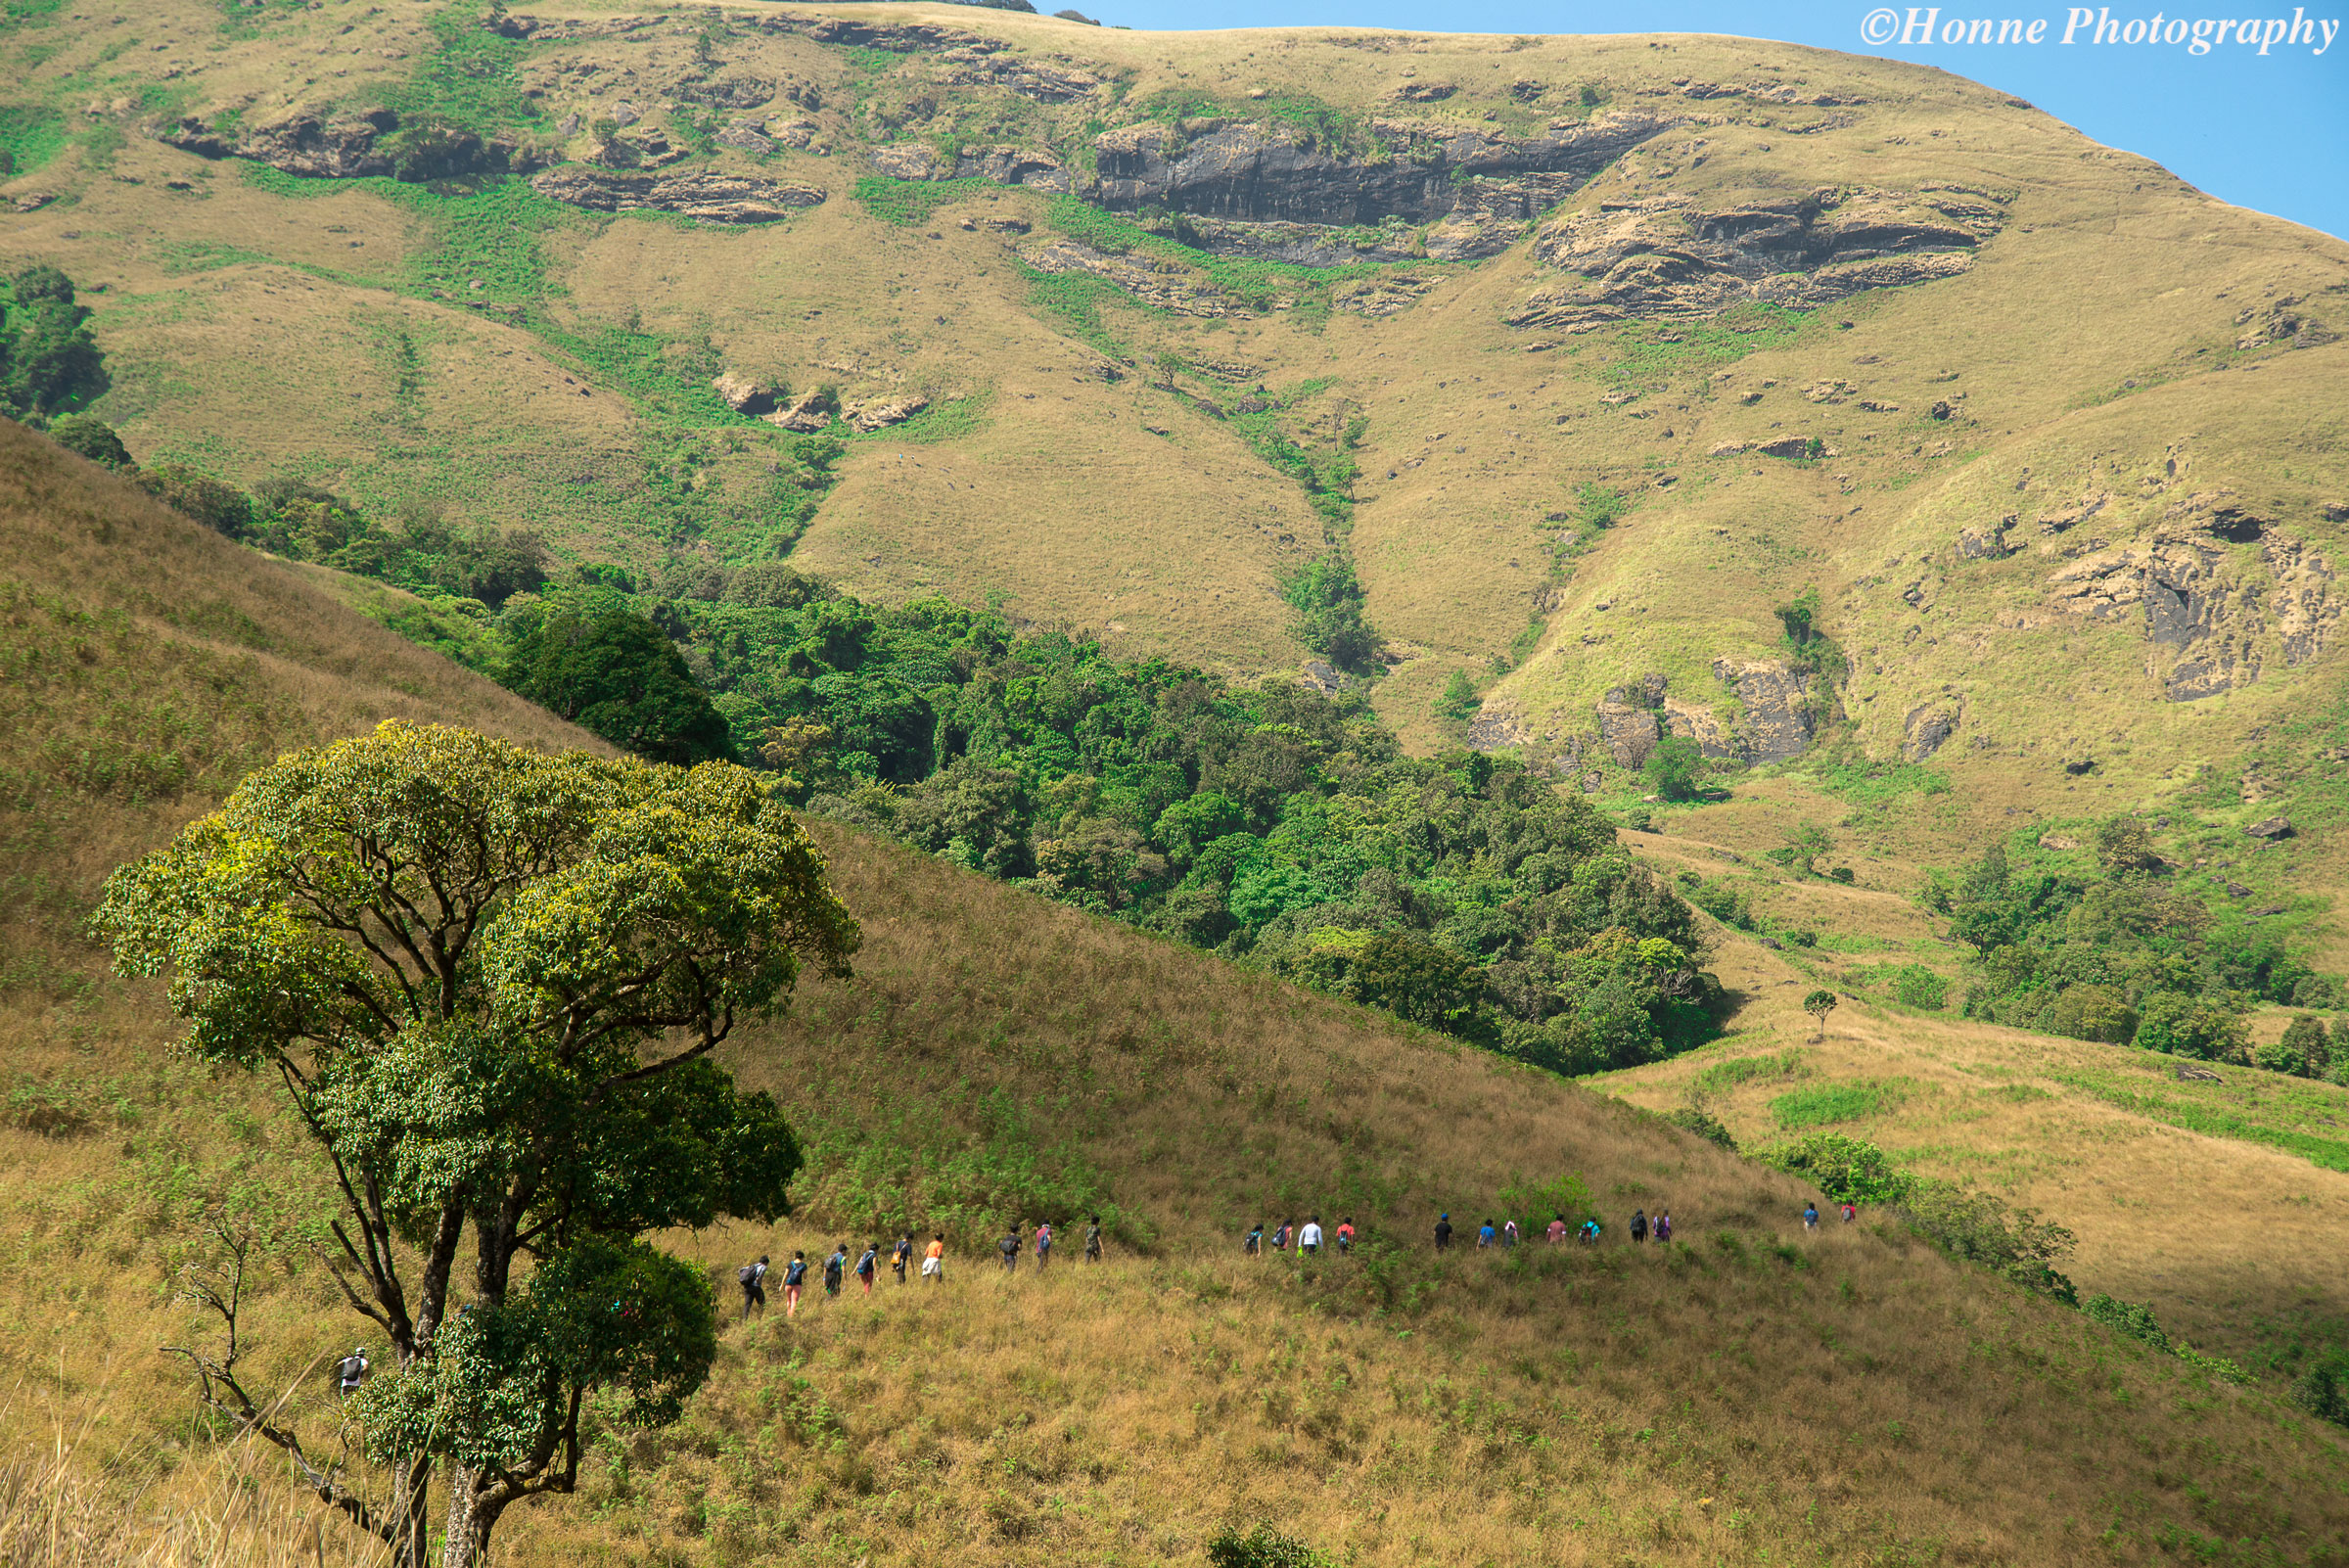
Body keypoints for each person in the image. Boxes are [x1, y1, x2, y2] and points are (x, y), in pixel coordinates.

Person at [737, 1255, 769, 1320]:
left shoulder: (753, 1266)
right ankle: (759, 1319)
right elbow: (759, 1277)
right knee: (762, 1303)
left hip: (747, 1287)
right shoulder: (764, 1267)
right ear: (766, 1262)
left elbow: (740, 1270)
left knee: (747, 1305)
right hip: (756, 1287)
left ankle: (744, 1320)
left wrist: (743, 1277)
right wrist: (759, 1280)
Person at [783, 1251, 808, 1316]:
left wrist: (782, 1284)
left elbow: (785, 1274)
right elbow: (805, 1277)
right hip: (797, 1285)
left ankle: (788, 1315)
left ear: (795, 1256)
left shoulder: (790, 1264)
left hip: (788, 1284)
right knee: (794, 1301)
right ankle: (792, 1316)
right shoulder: (803, 1265)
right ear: (802, 1257)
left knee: (789, 1300)